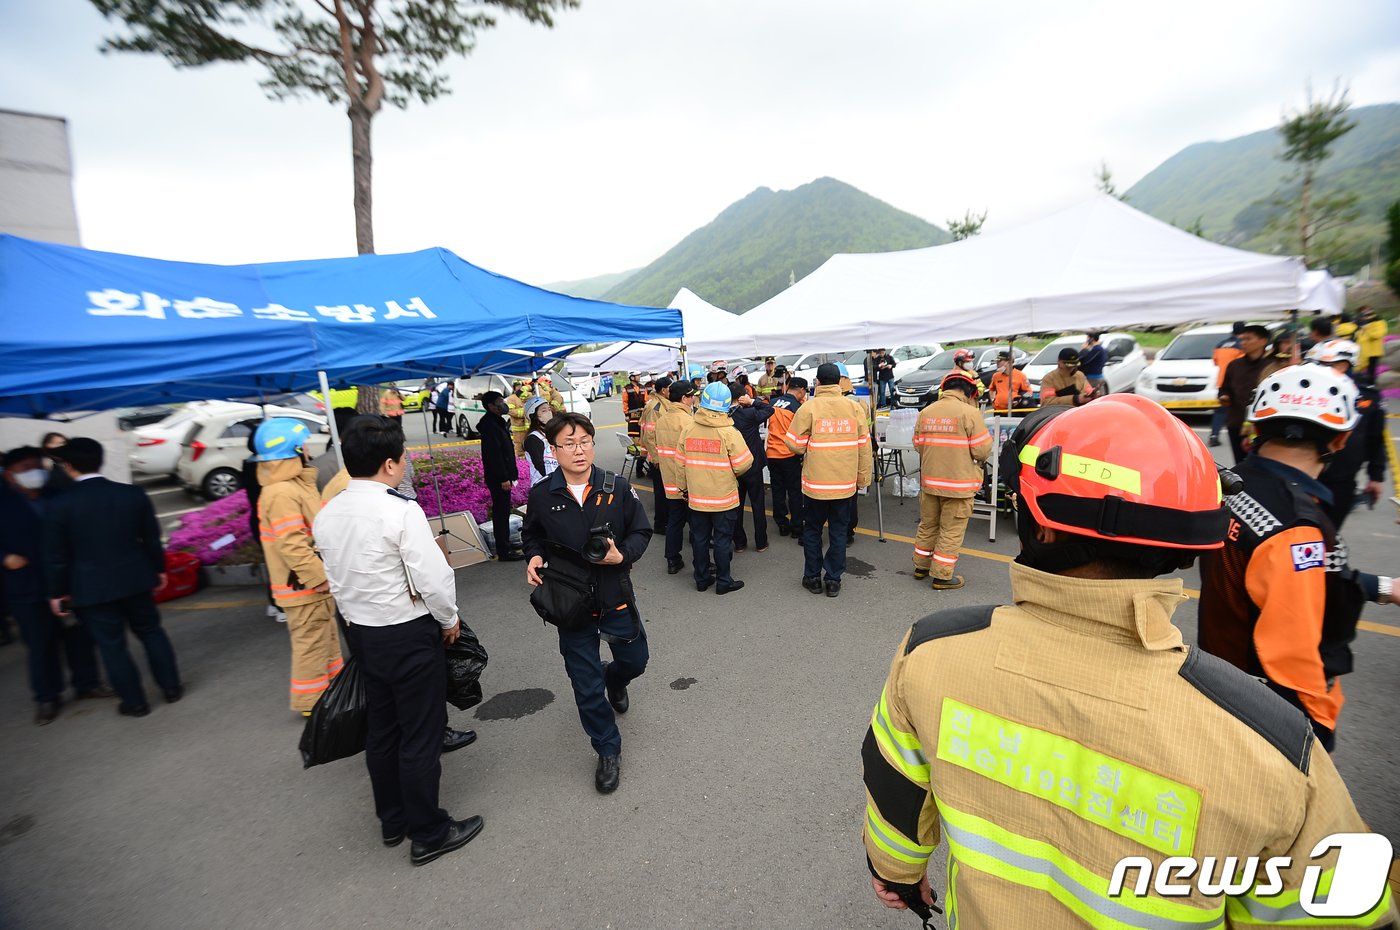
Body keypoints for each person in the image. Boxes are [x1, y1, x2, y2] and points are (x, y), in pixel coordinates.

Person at [862, 393, 1399, 928]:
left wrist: (898, 873)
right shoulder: (1272, 746)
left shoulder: (930, 651)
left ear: (1041, 525)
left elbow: (895, 795)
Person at [1199, 364, 1398, 752]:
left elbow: (1295, 575)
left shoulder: (1232, 485)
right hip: (1272, 707)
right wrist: (1316, 726)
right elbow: (1293, 653)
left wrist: (1386, 588)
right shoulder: (1296, 528)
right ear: (1340, 441)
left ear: (1257, 428)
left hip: (1221, 678)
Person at [314, 417, 484, 865]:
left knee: (383, 730)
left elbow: (334, 577)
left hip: (362, 635)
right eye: (403, 455)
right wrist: (450, 620)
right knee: (420, 734)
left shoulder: (328, 513)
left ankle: (393, 820)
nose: (405, 462)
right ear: (390, 463)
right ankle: (429, 831)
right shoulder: (400, 510)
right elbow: (434, 576)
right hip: (407, 633)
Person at [522, 413, 652, 793]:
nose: (578, 450)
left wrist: (622, 556)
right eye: (568, 443)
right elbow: (532, 537)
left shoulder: (617, 487)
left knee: (635, 661)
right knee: (585, 684)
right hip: (569, 602)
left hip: (615, 595)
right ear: (554, 449)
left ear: (593, 444)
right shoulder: (543, 495)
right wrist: (532, 556)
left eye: (584, 442)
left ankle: (617, 679)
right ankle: (607, 749)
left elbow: (642, 530)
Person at [43, 438, 181, 718]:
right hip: (136, 577)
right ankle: (171, 688)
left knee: (111, 645)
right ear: (100, 459)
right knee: (152, 632)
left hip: (91, 586)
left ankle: (135, 703)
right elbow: (152, 539)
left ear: (68, 466)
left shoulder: (59, 506)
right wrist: (159, 569)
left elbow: (57, 556)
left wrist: (58, 592)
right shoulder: (132, 494)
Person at [2, 446, 109, 725]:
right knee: (40, 643)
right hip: (27, 585)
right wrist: (4, 558)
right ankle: (47, 697)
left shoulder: (59, 495)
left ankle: (87, 683)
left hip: (67, 581)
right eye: (25, 469)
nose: (34, 473)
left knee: (79, 635)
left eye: (38, 466)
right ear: (9, 475)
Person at [252, 418, 345, 714]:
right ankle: (313, 704)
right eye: (302, 444)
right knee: (312, 645)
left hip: (307, 587)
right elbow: (292, 544)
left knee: (325, 641)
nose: (307, 449)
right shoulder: (281, 493)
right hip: (302, 588)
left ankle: (330, 693)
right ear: (292, 449)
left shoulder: (293, 485)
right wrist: (319, 578)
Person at [784, 362, 871, 598]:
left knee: (812, 530)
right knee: (839, 531)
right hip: (844, 485)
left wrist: (807, 448)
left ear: (817, 382)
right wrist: (863, 477)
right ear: (840, 382)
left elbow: (791, 441)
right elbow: (865, 446)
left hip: (815, 486)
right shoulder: (854, 409)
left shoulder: (809, 408)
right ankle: (833, 580)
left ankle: (812, 578)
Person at [910, 371, 993, 590]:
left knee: (928, 525)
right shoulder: (970, 413)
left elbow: (918, 444)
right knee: (951, 530)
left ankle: (920, 566)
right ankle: (942, 576)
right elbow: (982, 451)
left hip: (930, 482)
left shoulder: (926, 412)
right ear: (967, 391)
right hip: (959, 485)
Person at [676, 383, 753, 594]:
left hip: (696, 498)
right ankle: (723, 582)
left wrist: (683, 489)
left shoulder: (689, 429)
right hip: (723, 498)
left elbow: (680, 464)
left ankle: (701, 579)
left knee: (699, 539)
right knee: (722, 540)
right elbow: (744, 463)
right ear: (728, 405)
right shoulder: (729, 432)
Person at [1308, 340, 1386, 529]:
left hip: (1341, 481)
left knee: (1330, 534)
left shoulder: (1367, 398)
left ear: (1344, 365)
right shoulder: (1307, 392)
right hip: (1304, 477)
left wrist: (1375, 477)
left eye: (1322, 365)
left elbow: (1375, 440)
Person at [655, 381, 698, 575]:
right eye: (692, 396)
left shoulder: (662, 419)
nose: (694, 399)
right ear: (684, 399)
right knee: (697, 524)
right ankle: (701, 562)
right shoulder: (688, 421)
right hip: (687, 481)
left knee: (674, 521)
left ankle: (672, 559)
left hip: (669, 479)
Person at [476, 392, 524, 562]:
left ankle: (506, 543)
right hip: (498, 478)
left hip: (503, 475)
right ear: (491, 406)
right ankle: (503, 550)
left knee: (504, 510)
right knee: (501, 511)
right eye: (499, 402)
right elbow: (494, 455)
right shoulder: (490, 426)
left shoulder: (497, 422)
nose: (503, 404)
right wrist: (504, 478)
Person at [1218, 324, 1273, 463]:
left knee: (1262, 462)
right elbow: (1224, 388)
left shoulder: (1272, 366)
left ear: (1263, 341)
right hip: (1237, 421)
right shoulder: (1235, 365)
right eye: (1242, 339)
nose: (1243, 342)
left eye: (1248, 339)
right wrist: (1224, 396)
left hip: (1262, 423)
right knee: (1240, 462)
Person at [729, 391, 773, 554]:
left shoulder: (724, 416)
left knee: (736, 506)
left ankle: (739, 543)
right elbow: (770, 410)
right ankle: (761, 542)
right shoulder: (749, 413)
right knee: (757, 504)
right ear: (742, 397)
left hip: (734, 466)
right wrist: (753, 401)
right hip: (753, 465)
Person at [766, 376, 807, 541]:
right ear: (801, 390)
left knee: (778, 490)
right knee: (795, 492)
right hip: (789, 454)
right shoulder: (798, 408)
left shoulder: (773, 402)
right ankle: (797, 526)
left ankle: (782, 523)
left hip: (772, 454)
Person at [637, 376, 673, 529]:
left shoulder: (661, 404)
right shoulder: (656, 407)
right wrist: (657, 458)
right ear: (664, 390)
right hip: (658, 458)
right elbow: (650, 435)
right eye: (670, 388)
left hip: (661, 456)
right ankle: (660, 524)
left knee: (664, 492)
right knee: (661, 493)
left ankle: (664, 521)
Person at [1208, 322, 1246, 447]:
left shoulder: (1221, 344)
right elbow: (1244, 363)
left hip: (1222, 382)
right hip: (1239, 382)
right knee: (1241, 411)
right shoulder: (1243, 345)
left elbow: (1215, 362)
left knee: (1220, 411)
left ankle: (1214, 435)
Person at [521, 396, 558, 487]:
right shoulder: (533, 439)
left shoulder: (552, 434)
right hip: (543, 485)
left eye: (549, 409)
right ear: (534, 416)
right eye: (544, 410)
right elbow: (541, 467)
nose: (549, 413)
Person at [1356, 305, 1387, 382]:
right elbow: (1360, 338)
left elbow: (1376, 335)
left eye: (1367, 312)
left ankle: (1372, 384)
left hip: (1373, 352)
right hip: (1363, 352)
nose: (1365, 314)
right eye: (1362, 313)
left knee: (1371, 372)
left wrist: (1367, 327)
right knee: (1360, 373)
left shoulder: (1379, 323)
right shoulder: (1361, 324)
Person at [506, 380, 531, 457]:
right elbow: (510, 411)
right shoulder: (511, 398)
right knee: (520, 449)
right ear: (514, 387)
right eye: (517, 386)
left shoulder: (528, 396)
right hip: (518, 428)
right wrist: (524, 412)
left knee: (530, 447)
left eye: (521, 386)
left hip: (529, 428)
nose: (519, 388)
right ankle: (522, 465)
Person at [1078, 331, 1108, 395]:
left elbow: (1084, 361)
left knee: (1091, 396)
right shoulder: (1101, 349)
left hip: (1093, 378)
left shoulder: (1097, 349)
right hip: (1097, 376)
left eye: (1087, 338)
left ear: (1091, 339)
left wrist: (1084, 349)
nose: (1086, 340)